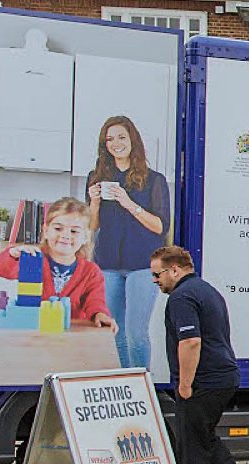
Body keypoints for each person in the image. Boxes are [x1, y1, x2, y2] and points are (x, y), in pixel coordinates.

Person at [149, 246, 249, 464]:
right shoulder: (206, 290)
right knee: (203, 437)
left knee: (191, 450)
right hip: (222, 377)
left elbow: (191, 342)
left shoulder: (181, 297)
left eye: (157, 274)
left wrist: (185, 384)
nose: (155, 280)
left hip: (203, 383)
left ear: (174, 270)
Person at [87, 116, 171, 370]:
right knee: (116, 333)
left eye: (121, 137)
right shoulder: (96, 177)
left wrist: (128, 203)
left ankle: (141, 386)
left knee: (136, 333)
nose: (116, 143)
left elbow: (161, 227)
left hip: (143, 265)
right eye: (109, 139)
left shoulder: (154, 180)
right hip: (108, 264)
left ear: (133, 140)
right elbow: (92, 226)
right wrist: (94, 202)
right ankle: (126, 384)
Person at [0, 198, 116, 330]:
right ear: (46, 231)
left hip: (70, 333)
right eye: (58, 228)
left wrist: (100, 314)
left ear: (86, 237)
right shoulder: (33, 260)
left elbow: (95, 301)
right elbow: (1, 269)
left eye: (74, 231)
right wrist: (13, 254)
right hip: (34, 330)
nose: (65, 235)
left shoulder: (91, 271)